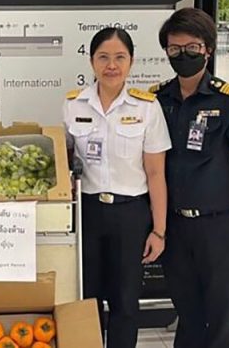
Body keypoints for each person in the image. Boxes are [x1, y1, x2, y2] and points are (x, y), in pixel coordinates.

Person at [150, 7, 229, 348]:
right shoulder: (156, 100)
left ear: (208, 49)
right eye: (175, 49)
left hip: (220, 225)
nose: (183, 55)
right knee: (188, 311)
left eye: (192, 48)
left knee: (223, 316)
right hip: (175, 226)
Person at [63, 27, 170, 347]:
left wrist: (159, 231)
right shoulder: (74, 104)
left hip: (130, 214)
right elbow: (65, 159)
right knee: (87, 298)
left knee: (125, 300)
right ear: (92, 61)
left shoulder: (146, 107)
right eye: (104, 57)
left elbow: (156, 173)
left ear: (131, 62)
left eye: (120, 57)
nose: (112, 65)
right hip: (88, 212)